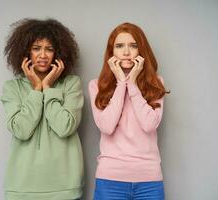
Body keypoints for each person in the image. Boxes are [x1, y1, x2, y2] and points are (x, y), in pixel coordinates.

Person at [0, 18, 84, 200]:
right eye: (36, 48)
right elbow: (21, 130)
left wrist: (48, 88)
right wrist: (37, 90)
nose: (43, 55)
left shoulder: (72, 84)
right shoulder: (12, 88)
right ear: (25, 52)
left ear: (59, 53)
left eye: (50, 49)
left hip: (65, 186)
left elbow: (65, 127)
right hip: (22, 186)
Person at [89, 22, 169, 200]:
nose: (126, 52)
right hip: (110, 180)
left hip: (149, 181)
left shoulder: (156, 83)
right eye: (119, 46)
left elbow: (149, 125)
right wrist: (121, 84)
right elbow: (107, 127)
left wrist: (132, 84)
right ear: (112, 52)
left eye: (133, 46)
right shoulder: (96, 85)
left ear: (142, 51)